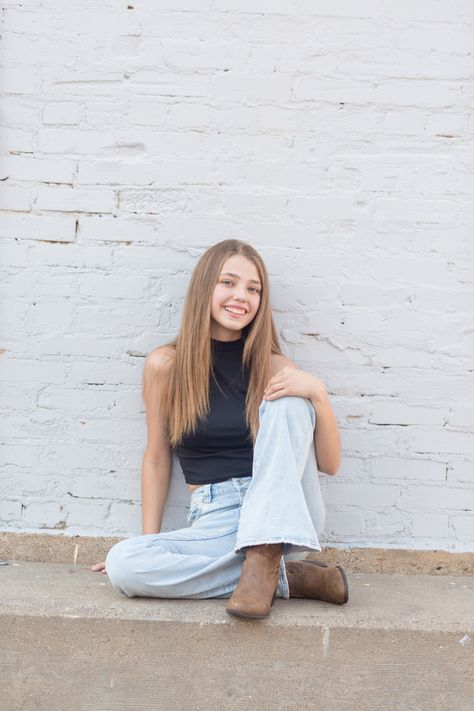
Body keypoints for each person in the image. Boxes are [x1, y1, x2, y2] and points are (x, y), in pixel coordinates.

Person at [91, 239, 348, 619]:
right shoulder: (166, 365)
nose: (241, 296)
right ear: (204, 288)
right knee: (125, 564)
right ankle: (285, 577)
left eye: (253, 289)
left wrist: (319, 396)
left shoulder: (273, 365)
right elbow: (157, 459)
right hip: (218, 514)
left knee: (294, 398)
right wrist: (151, 544)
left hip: (283, 505)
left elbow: (329, 465)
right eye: (228, 283)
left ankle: (265, 556)